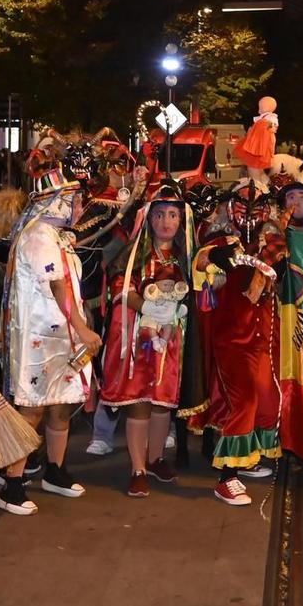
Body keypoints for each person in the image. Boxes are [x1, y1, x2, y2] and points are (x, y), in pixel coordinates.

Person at [0, 168, 101, 514]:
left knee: (61, 405)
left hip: (61, 337)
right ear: (55, 202)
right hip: (40, 339)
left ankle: (55, 470)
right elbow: (58, 286)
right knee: (32, 409)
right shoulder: (39, 236)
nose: (78, 205)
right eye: (73, 199)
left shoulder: (56, 237)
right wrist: (84, 330)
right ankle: (12, 482)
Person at [186, 183, 285, 506]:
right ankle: (227, 476)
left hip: (263, 336)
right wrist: (215, 256)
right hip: (232, 338)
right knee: (244, 399)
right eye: (244, 205)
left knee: (265, 398)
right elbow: (200, 264)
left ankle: (248, 456)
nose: (250, 213)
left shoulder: (272, 243)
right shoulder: (222, 241)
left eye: (257, 207)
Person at [99, 181, 194, 497]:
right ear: (149, 219)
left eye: (172, 215)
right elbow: (119, 289)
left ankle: (156, 458)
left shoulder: (187, 256)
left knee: (162, 403)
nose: (166, 222)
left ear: (181, 221)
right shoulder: (134, 255)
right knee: (139, 403)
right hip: (139, 340)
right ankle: (137, 467)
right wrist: (147, 306)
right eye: (159, 215)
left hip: (171, 342)